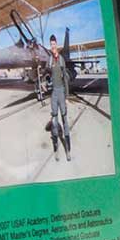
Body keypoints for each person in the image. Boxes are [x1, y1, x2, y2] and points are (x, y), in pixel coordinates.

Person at [47, 34, 71, 162]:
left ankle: (68, 150)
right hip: (54, 94)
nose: (52, 46)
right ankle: (56, 150)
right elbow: (47, 73)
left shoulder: (61, 59)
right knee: (55, 123)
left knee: (65, 120)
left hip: (61, 91)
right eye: (51, 44)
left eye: (54, 44)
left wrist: (67, 96)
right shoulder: (49, 60)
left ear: (56, 44)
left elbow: (65, 79)